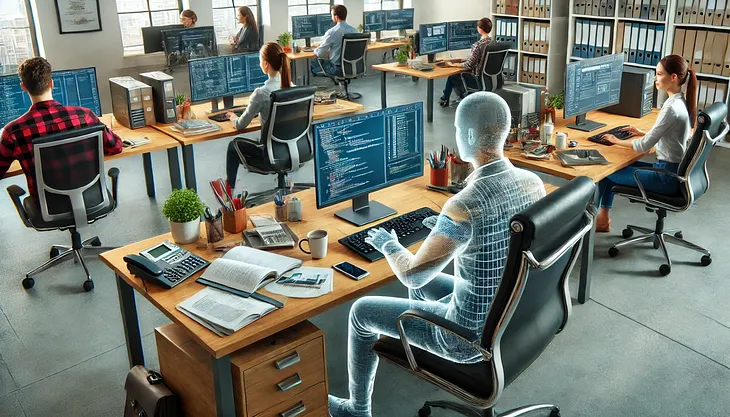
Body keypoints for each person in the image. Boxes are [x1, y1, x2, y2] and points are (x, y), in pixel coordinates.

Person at [327, 92, 546, 417]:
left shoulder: (464, 204)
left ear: (470, 136)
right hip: (509, 311)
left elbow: (413, 274)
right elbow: (501, 229)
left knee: (361, 311)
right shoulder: (532, 183)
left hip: (468, 338)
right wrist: (444, 228)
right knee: (427, 292)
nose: (455, 135)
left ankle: (357, 409)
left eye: (458, 129)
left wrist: (388, 244)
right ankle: (419, 352)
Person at [594, 54, 697, 233]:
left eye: (659, 74)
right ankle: (603, 220)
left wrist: (615, 140)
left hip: (665, 178)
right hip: (673, 171)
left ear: (673, 78)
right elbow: (671, 136)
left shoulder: (671, 108)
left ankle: (594, 222)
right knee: (613, 169)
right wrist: (641, 132)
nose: (655, 78)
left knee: (605, 172)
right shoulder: (680, 103)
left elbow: (643, 146)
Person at [0, 57, 122, 204]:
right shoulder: (85, 116)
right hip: (91, 198)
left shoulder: (12, 131)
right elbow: (115, 147)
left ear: (23, 87)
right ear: (52, 84)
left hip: (48, 206)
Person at [225, 42, 294, 191]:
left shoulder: (261, 93)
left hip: (269, 156)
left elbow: (240, 125)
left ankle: (228, 194)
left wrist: (233, 117)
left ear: (266, 64)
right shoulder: (293, 88)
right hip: (293, 151)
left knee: (233, 146)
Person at [439, 17, 493, 107]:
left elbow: (468, 65)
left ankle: (446, 99)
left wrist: (454, 65)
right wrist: (467, 58)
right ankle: (453, 98)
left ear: (480, 29)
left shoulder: (477, 45)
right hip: (487, 78)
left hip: (476, 78)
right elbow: (480, 58)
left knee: (452, 76)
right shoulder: (491, 42)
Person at [311, 5, 358, 76]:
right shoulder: (355, 31)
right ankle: (338, 84)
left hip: (337, 69)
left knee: (314, 63)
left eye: (332, 15)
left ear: (336, 17)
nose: (331, 17)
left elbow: (319, 53)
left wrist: (315, 49)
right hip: (352, 67)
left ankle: (327, 85)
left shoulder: (331, 32)